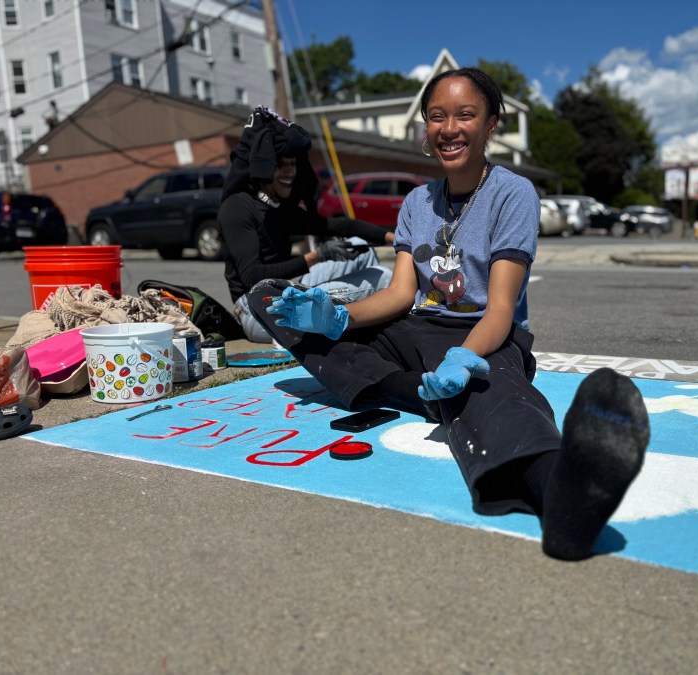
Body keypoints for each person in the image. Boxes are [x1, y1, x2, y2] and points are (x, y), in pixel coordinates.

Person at [247, 69, 650, 561]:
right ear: (425, 127)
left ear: (491, 125)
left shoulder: (513, 193)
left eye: (465, 115)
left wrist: (464, 358)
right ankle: (420, 392)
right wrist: (336, 317)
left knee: (493, 395)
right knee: (270, 298)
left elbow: (500, 308)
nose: (449, 128)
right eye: (437, 116)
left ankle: (563, 496)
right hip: (414, 329)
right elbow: (399, 294)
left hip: (483, 334)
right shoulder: (417, 201)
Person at [218, 106, 395, 342]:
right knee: (382, 277)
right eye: (282, 164)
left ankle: (352, 323)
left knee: (359, 247)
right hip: (256, 308)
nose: (290, 171)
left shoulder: (278, 207)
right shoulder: (237, 207)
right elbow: (252, 276)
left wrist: (396, 239)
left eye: (293, 163)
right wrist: (317, 256)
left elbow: (340, 226)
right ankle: (362, 328)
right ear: (265, 167)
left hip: (285, 289)